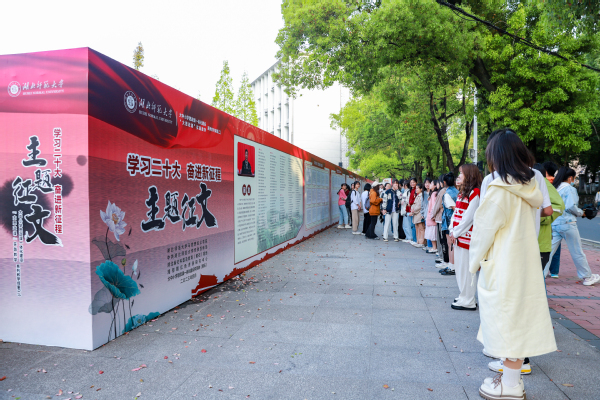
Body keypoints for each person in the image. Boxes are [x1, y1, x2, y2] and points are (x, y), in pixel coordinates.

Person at [469, 128, 557, 399]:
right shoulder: (532, 183)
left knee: (504, 319)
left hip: (503, 262)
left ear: (496, 156)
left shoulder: (498, 190)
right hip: (526, 260)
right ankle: (512, 380)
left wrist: (474, 263)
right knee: (518, 319)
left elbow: (483, 231)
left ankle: (509, 385)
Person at [544, 167, 600, 285]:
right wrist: (581, 213)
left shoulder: (554, 188)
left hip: (554, 223)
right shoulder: (569, 189)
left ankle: (540, 276)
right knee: (577, 252)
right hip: (568, 224)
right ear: (570, 178)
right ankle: (587, 277)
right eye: (574, 178)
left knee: (548, 252)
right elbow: (571, 206)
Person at [448, 164, 481, 311]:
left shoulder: (475, 192)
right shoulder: (463, 192)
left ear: (470, 175)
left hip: (466, 237)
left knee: (467, 270)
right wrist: (452, 230)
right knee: (461, 269)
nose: (459, 176)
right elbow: (456, 214)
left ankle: (468, 299)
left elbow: (469, 218)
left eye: (461, 173)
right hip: (458, 236)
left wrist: (455, 232)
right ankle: (464, 295)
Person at [532, 164, 564, 275]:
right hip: (533, 242)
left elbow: (559, 207)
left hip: (540, 243)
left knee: (535, 279)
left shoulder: (542, 182)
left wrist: (536, 218)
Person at [543, 161, 562, 278]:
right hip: (555, 219)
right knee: (556, 247)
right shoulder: (556, 183)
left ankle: (546, 272)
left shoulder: (543, 183)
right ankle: (554, 271)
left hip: (547, 220)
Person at [440, 173, 458, 276]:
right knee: (452, 244)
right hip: (455, 221)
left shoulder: (447, 194)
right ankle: (451, 266)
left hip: (449, 222)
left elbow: (455, 209)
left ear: (444, 182)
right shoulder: (457, 192)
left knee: (450, 244)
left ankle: (452, 266)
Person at [432, 178, 449, 267]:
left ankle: (443, 257)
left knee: (442, 239)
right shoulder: (448, 190)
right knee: (443, 239)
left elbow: (437, 205)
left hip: (440, 217)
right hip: (443, 217)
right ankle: (443, 256)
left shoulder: (442, 191)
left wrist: (433, 214)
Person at [425, 180, 439, 254]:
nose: (430, 185)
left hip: (431, 216)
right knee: (432, 232)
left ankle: (434, 247)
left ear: (435, 186)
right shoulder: (433, 193)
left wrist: (433, 215)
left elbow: (434, 205)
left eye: (431, 183)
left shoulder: (434, 193)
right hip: (431, 215)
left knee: (432, 233)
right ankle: (434, 247)